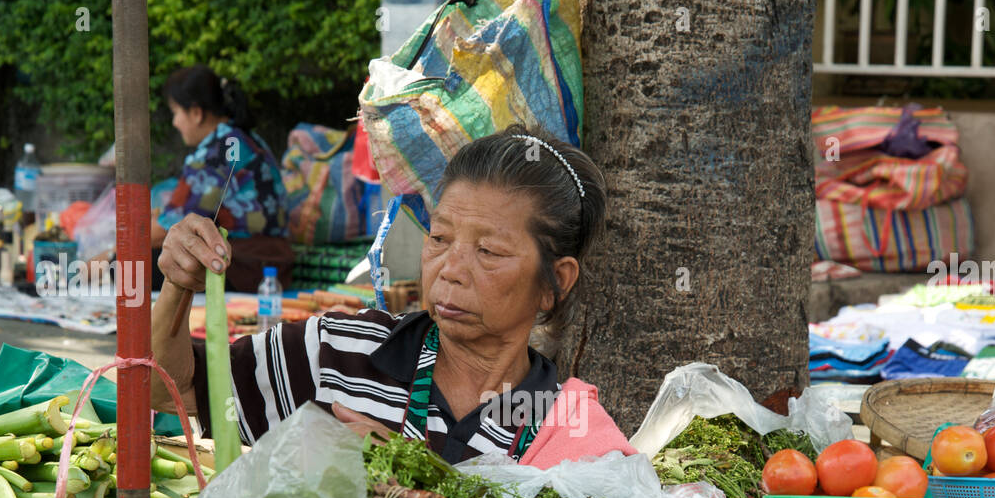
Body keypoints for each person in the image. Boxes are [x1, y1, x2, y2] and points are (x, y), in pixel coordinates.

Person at [151, 124, 635, 467]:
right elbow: (164, 390)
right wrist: (176, 287)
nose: (450, 270)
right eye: (439, 238)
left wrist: (411, 475)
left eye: (488, 251)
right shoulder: (341, 353)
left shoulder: (567, 429)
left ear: (556, 282)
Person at [152, 65, 289, 289]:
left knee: (132, 264)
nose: (175, 122)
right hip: (271, 263)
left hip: (244, 266)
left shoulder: (218, 151)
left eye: (176, 112)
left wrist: (112, 250)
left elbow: (170, 227)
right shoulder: (241, 138)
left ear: (196, 113)